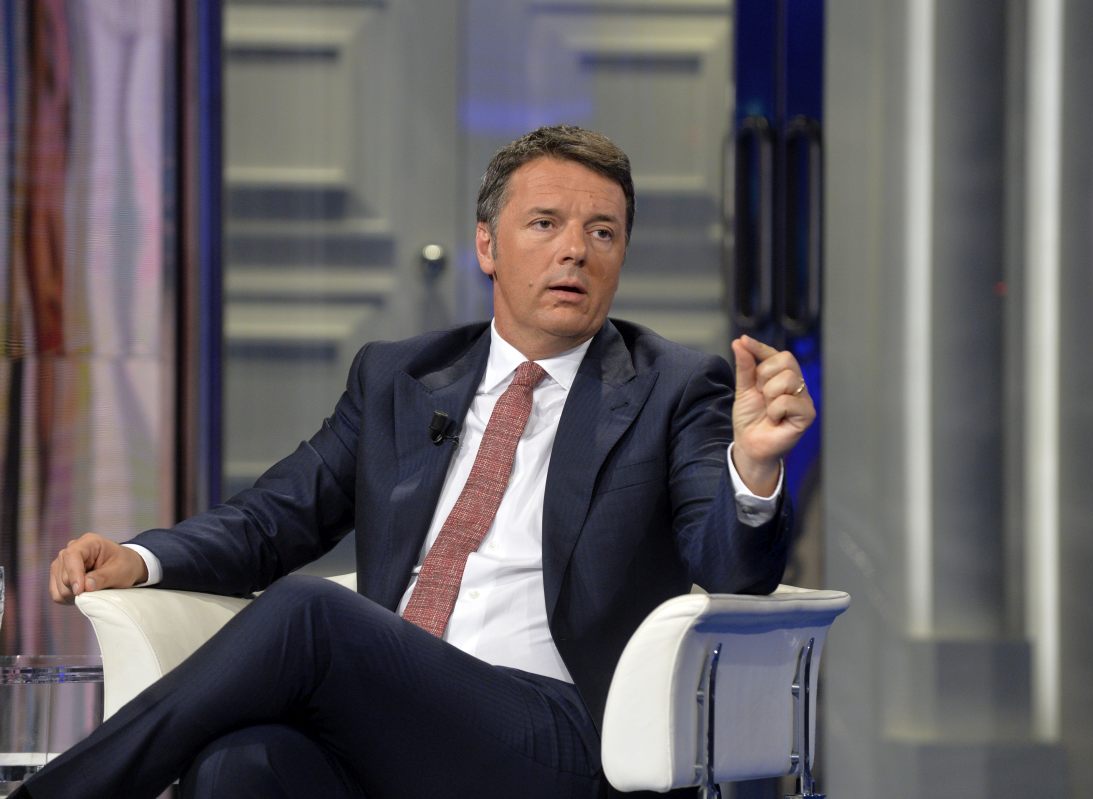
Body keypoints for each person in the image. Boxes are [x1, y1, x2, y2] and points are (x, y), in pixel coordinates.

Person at [17, 125, 814, 799]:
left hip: (562, 736)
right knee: (241, 764)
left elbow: (729, 571)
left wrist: (751, 470)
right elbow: (274, 517)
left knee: (309, 613)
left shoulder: (674, 386)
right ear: (486, 245)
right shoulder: (399, 376)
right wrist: (142, 558)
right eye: (545, 223)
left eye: (602, 232)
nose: (575, 250)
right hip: (391, 717)